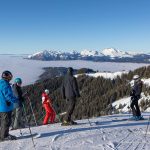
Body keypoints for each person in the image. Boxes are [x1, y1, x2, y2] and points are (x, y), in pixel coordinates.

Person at [0, 71, 18, 141]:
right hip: (5, 107)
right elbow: (8, 96)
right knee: (6, 121)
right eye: (10, 76)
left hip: (1, 106)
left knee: (3, 121)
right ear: (7, 77)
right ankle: (4, 136)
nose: (11, 77)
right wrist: (16, 100)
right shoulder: (5, 85)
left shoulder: (1, 83)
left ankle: (3, 134)